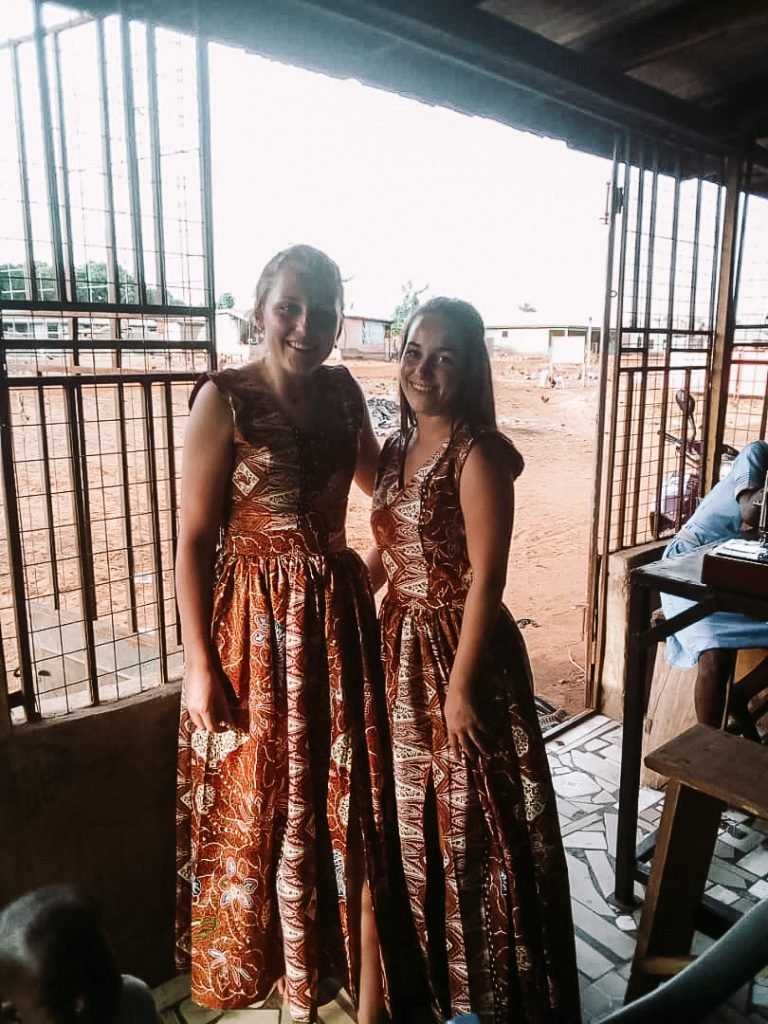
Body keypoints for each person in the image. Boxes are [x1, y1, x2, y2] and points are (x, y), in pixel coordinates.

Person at [174, 245, 392, 1024]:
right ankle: (275, 974)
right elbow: (195, 539)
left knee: (341, 801)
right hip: (252, 637)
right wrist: (199, 665)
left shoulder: (343, 393)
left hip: (335, 634)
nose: (307, 324)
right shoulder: (225, 399)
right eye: (290, 307)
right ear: (260, 309)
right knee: (260, 801)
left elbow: (385, 491)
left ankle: (334, 967)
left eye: (322, 310)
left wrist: (369, 569)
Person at [368, 297, 581, 1023]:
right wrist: (354, 579)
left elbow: (488, 578)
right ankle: (431, 985)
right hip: (400, 658)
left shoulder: (478, 453)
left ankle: (497, 994)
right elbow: (393, 540)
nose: (422, 370)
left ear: (469, 370)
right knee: (415, 823)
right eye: (413, 352)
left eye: (443, 358)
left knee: (476, 828)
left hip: (463, 658)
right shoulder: (395, 448)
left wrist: (459, 689)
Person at [661, 439, 768, 728]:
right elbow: (750, 511)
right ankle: (707, 742)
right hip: (686, 562)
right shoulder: (757, 454)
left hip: (731, 568)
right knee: (716, 654)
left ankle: (741, 695)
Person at [0, 884, 160, 1024]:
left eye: (98, 976)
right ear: (14, 1015)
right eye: (60, 1001)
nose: (85, 1003)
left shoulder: (133, 1001)